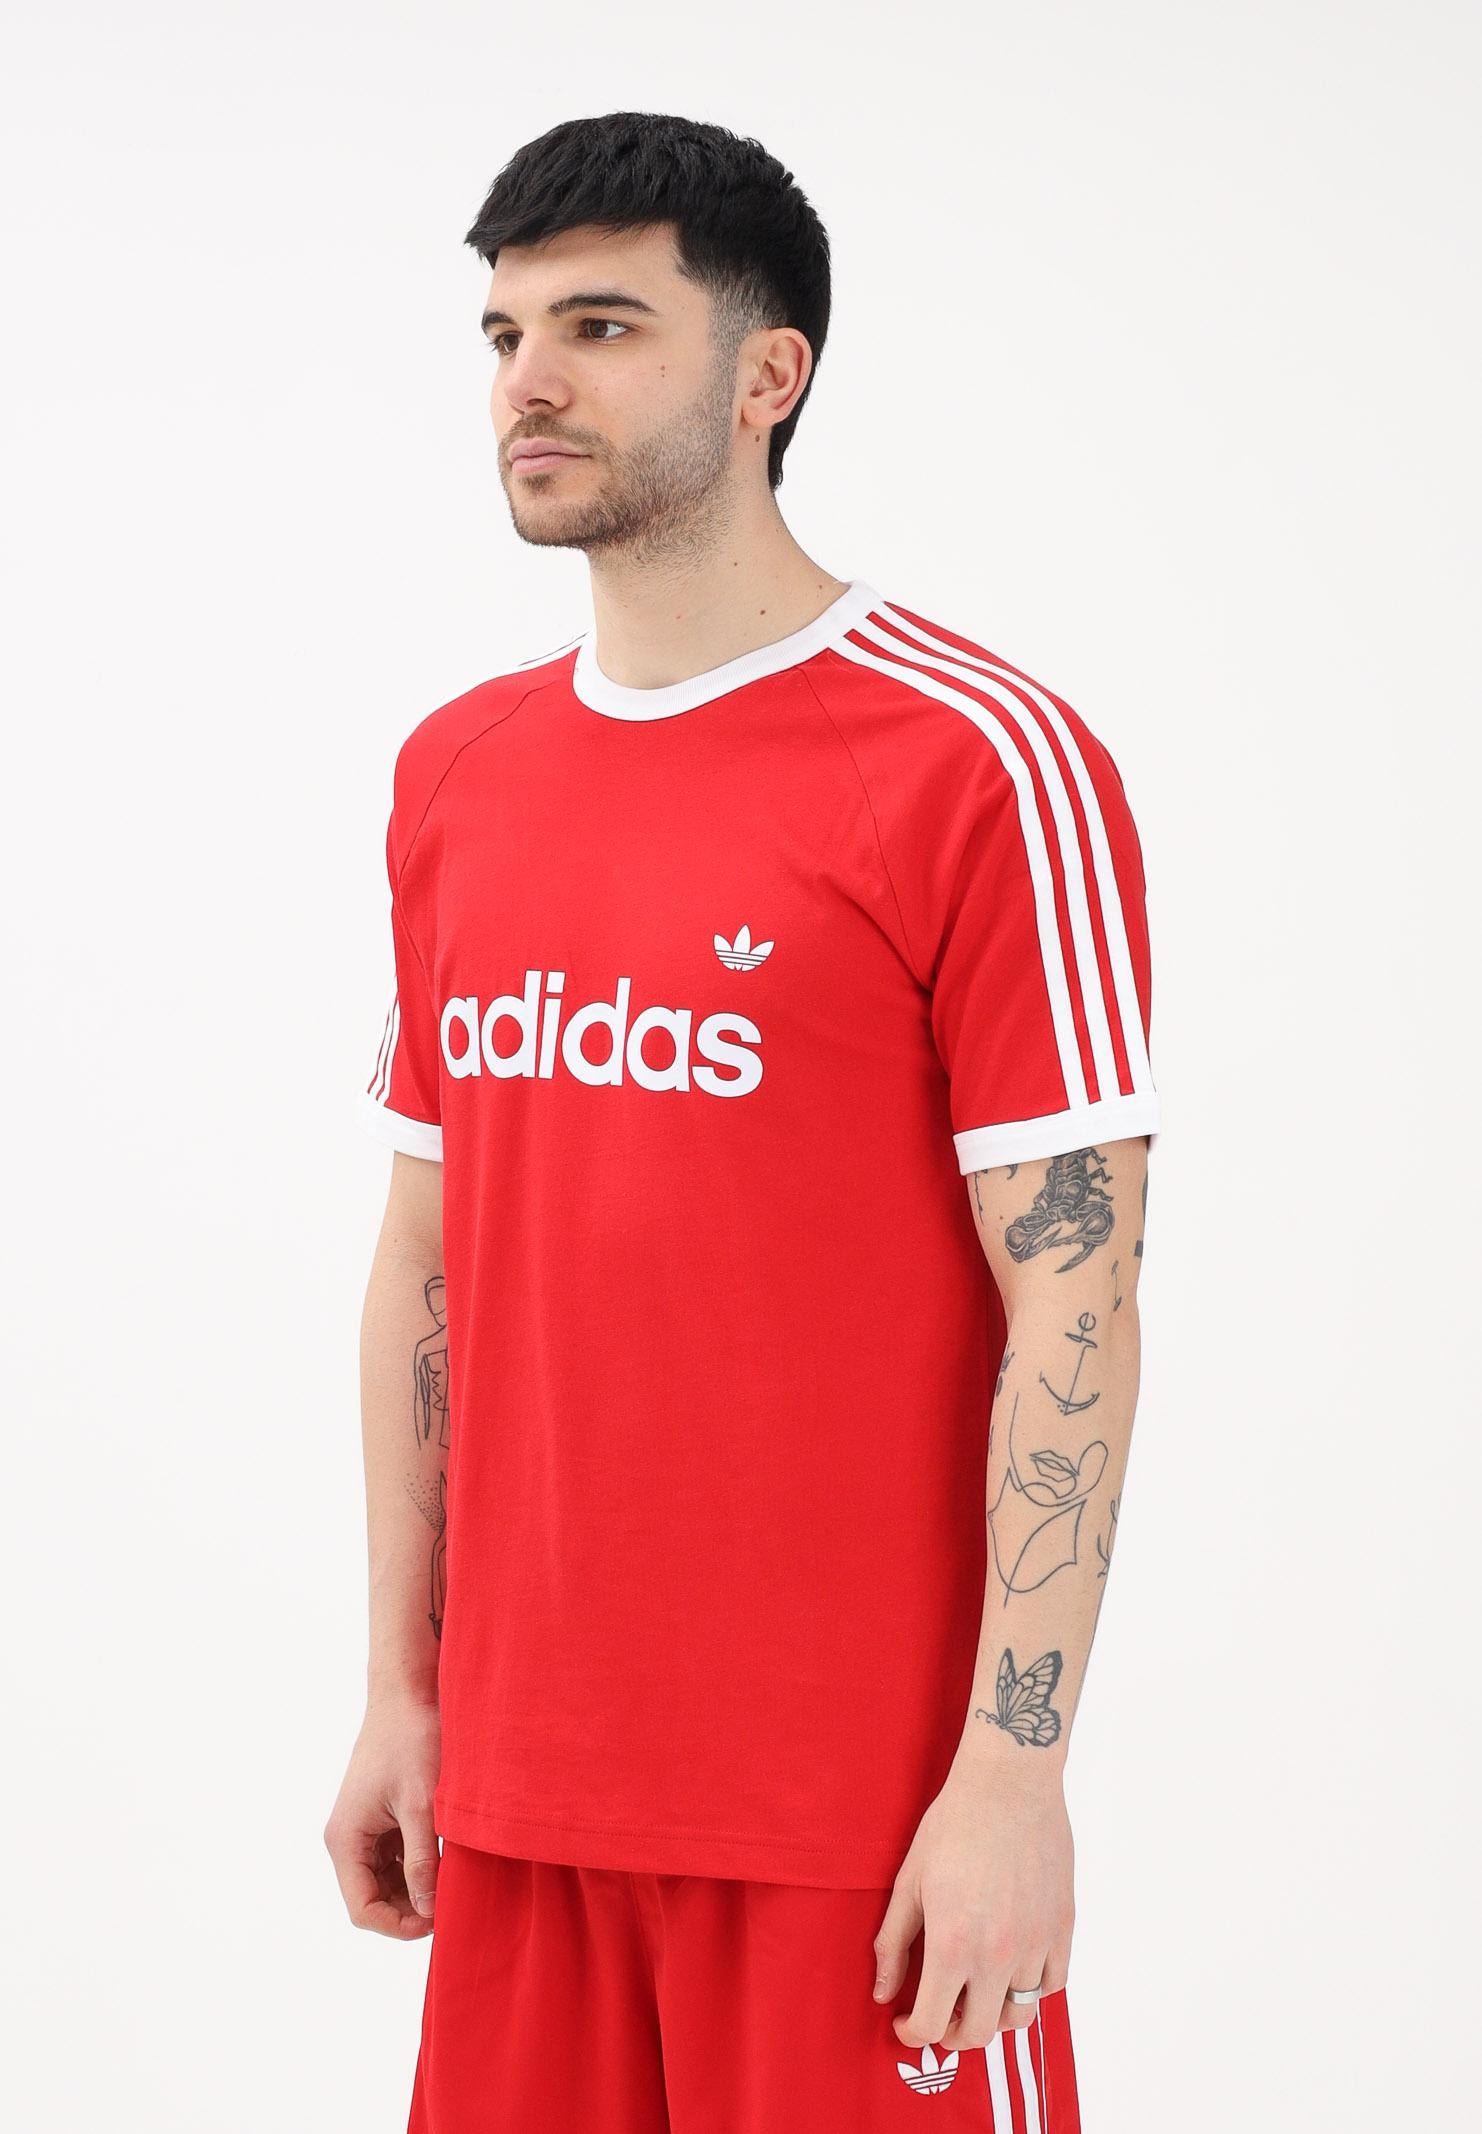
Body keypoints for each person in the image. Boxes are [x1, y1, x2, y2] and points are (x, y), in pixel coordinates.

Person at [324, 110, 1162, 2134]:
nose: (530, 379)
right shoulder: (459, 774)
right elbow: (429, 1261)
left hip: (854, 1836)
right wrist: (404, 1690)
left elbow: (1075, 1296)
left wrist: (1014, 1775)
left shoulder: (979, 760)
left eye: (602, 326)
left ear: (767, 372)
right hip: (521, 1801)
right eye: (507, 331)